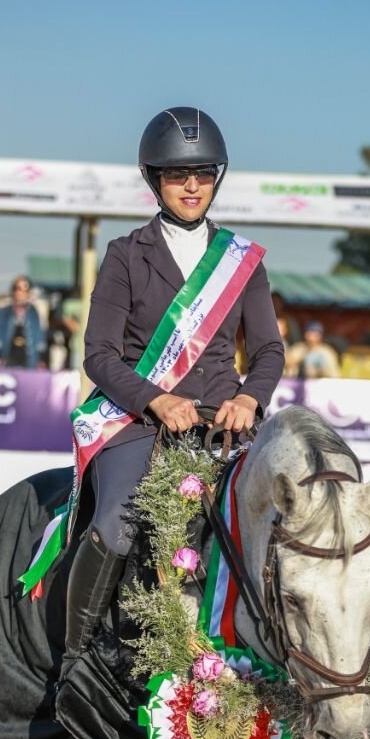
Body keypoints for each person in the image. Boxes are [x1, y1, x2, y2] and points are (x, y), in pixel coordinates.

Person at [62, 105, 285, 672]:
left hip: (224, 425)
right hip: (138, 425)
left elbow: (268, 352)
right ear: (153, 180)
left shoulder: (242, 262)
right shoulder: (124, 255)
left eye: (203, 173)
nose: (191, 185)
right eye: (177, 174)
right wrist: (155, 399)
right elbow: (100, 356)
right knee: (116, 526)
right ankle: (77, 659)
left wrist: (248, 399)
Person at [0, 276, 47, 368]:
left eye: (25, 289)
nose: (20, 292)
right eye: (17, 288)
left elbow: (39, 338)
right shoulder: (4, 312)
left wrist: (41, 359)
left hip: (29, 357)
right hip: (8, 356)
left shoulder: (34, 312)